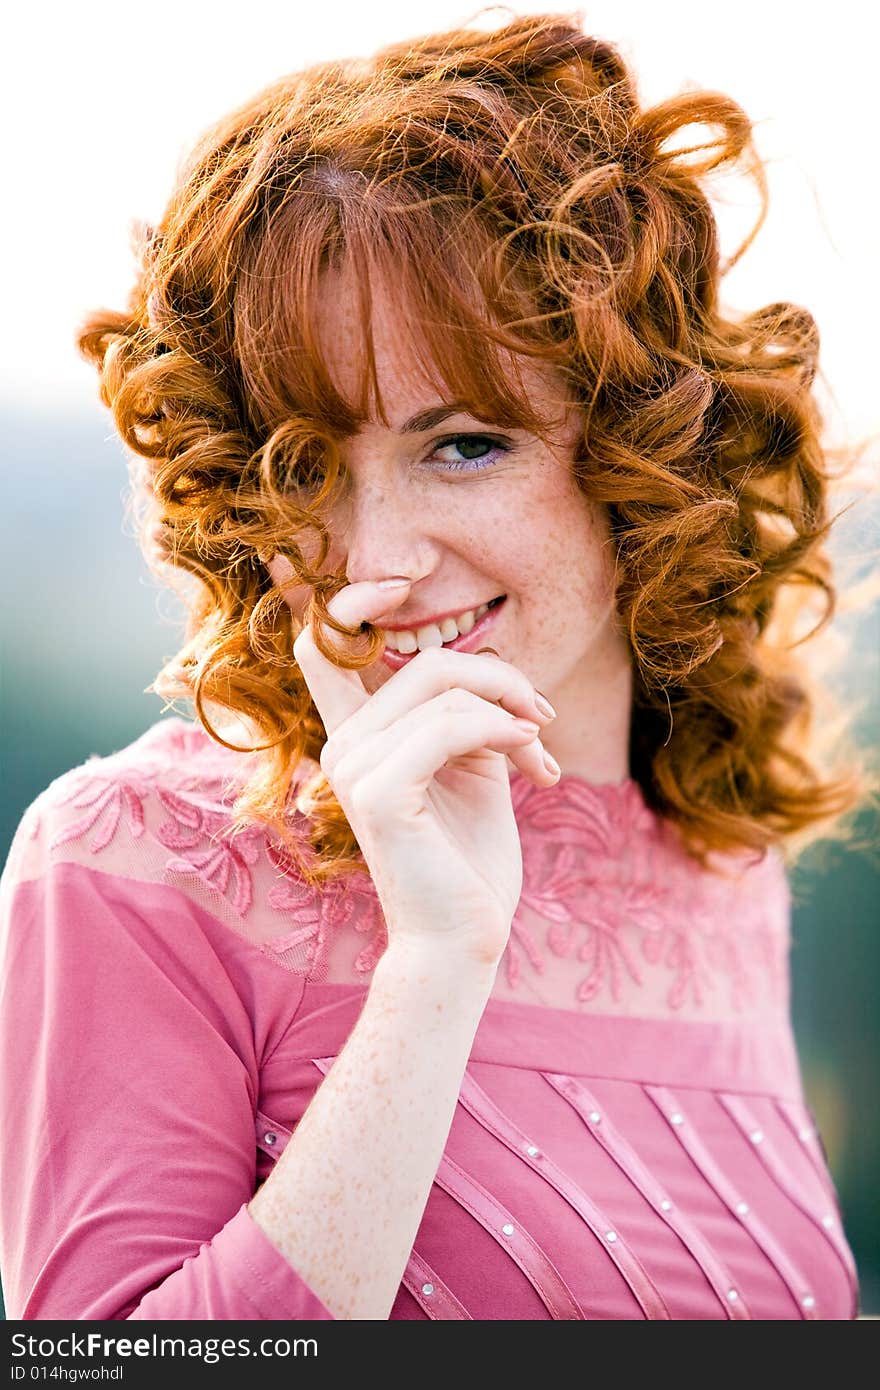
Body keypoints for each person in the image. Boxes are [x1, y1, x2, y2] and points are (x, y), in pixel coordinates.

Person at [0, 11, 871, 1322]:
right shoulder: (135, 861)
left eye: (463, 443)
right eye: (303, 464)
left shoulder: (715, 860)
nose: (378, 557)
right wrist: (434, 968)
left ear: (641, 451)